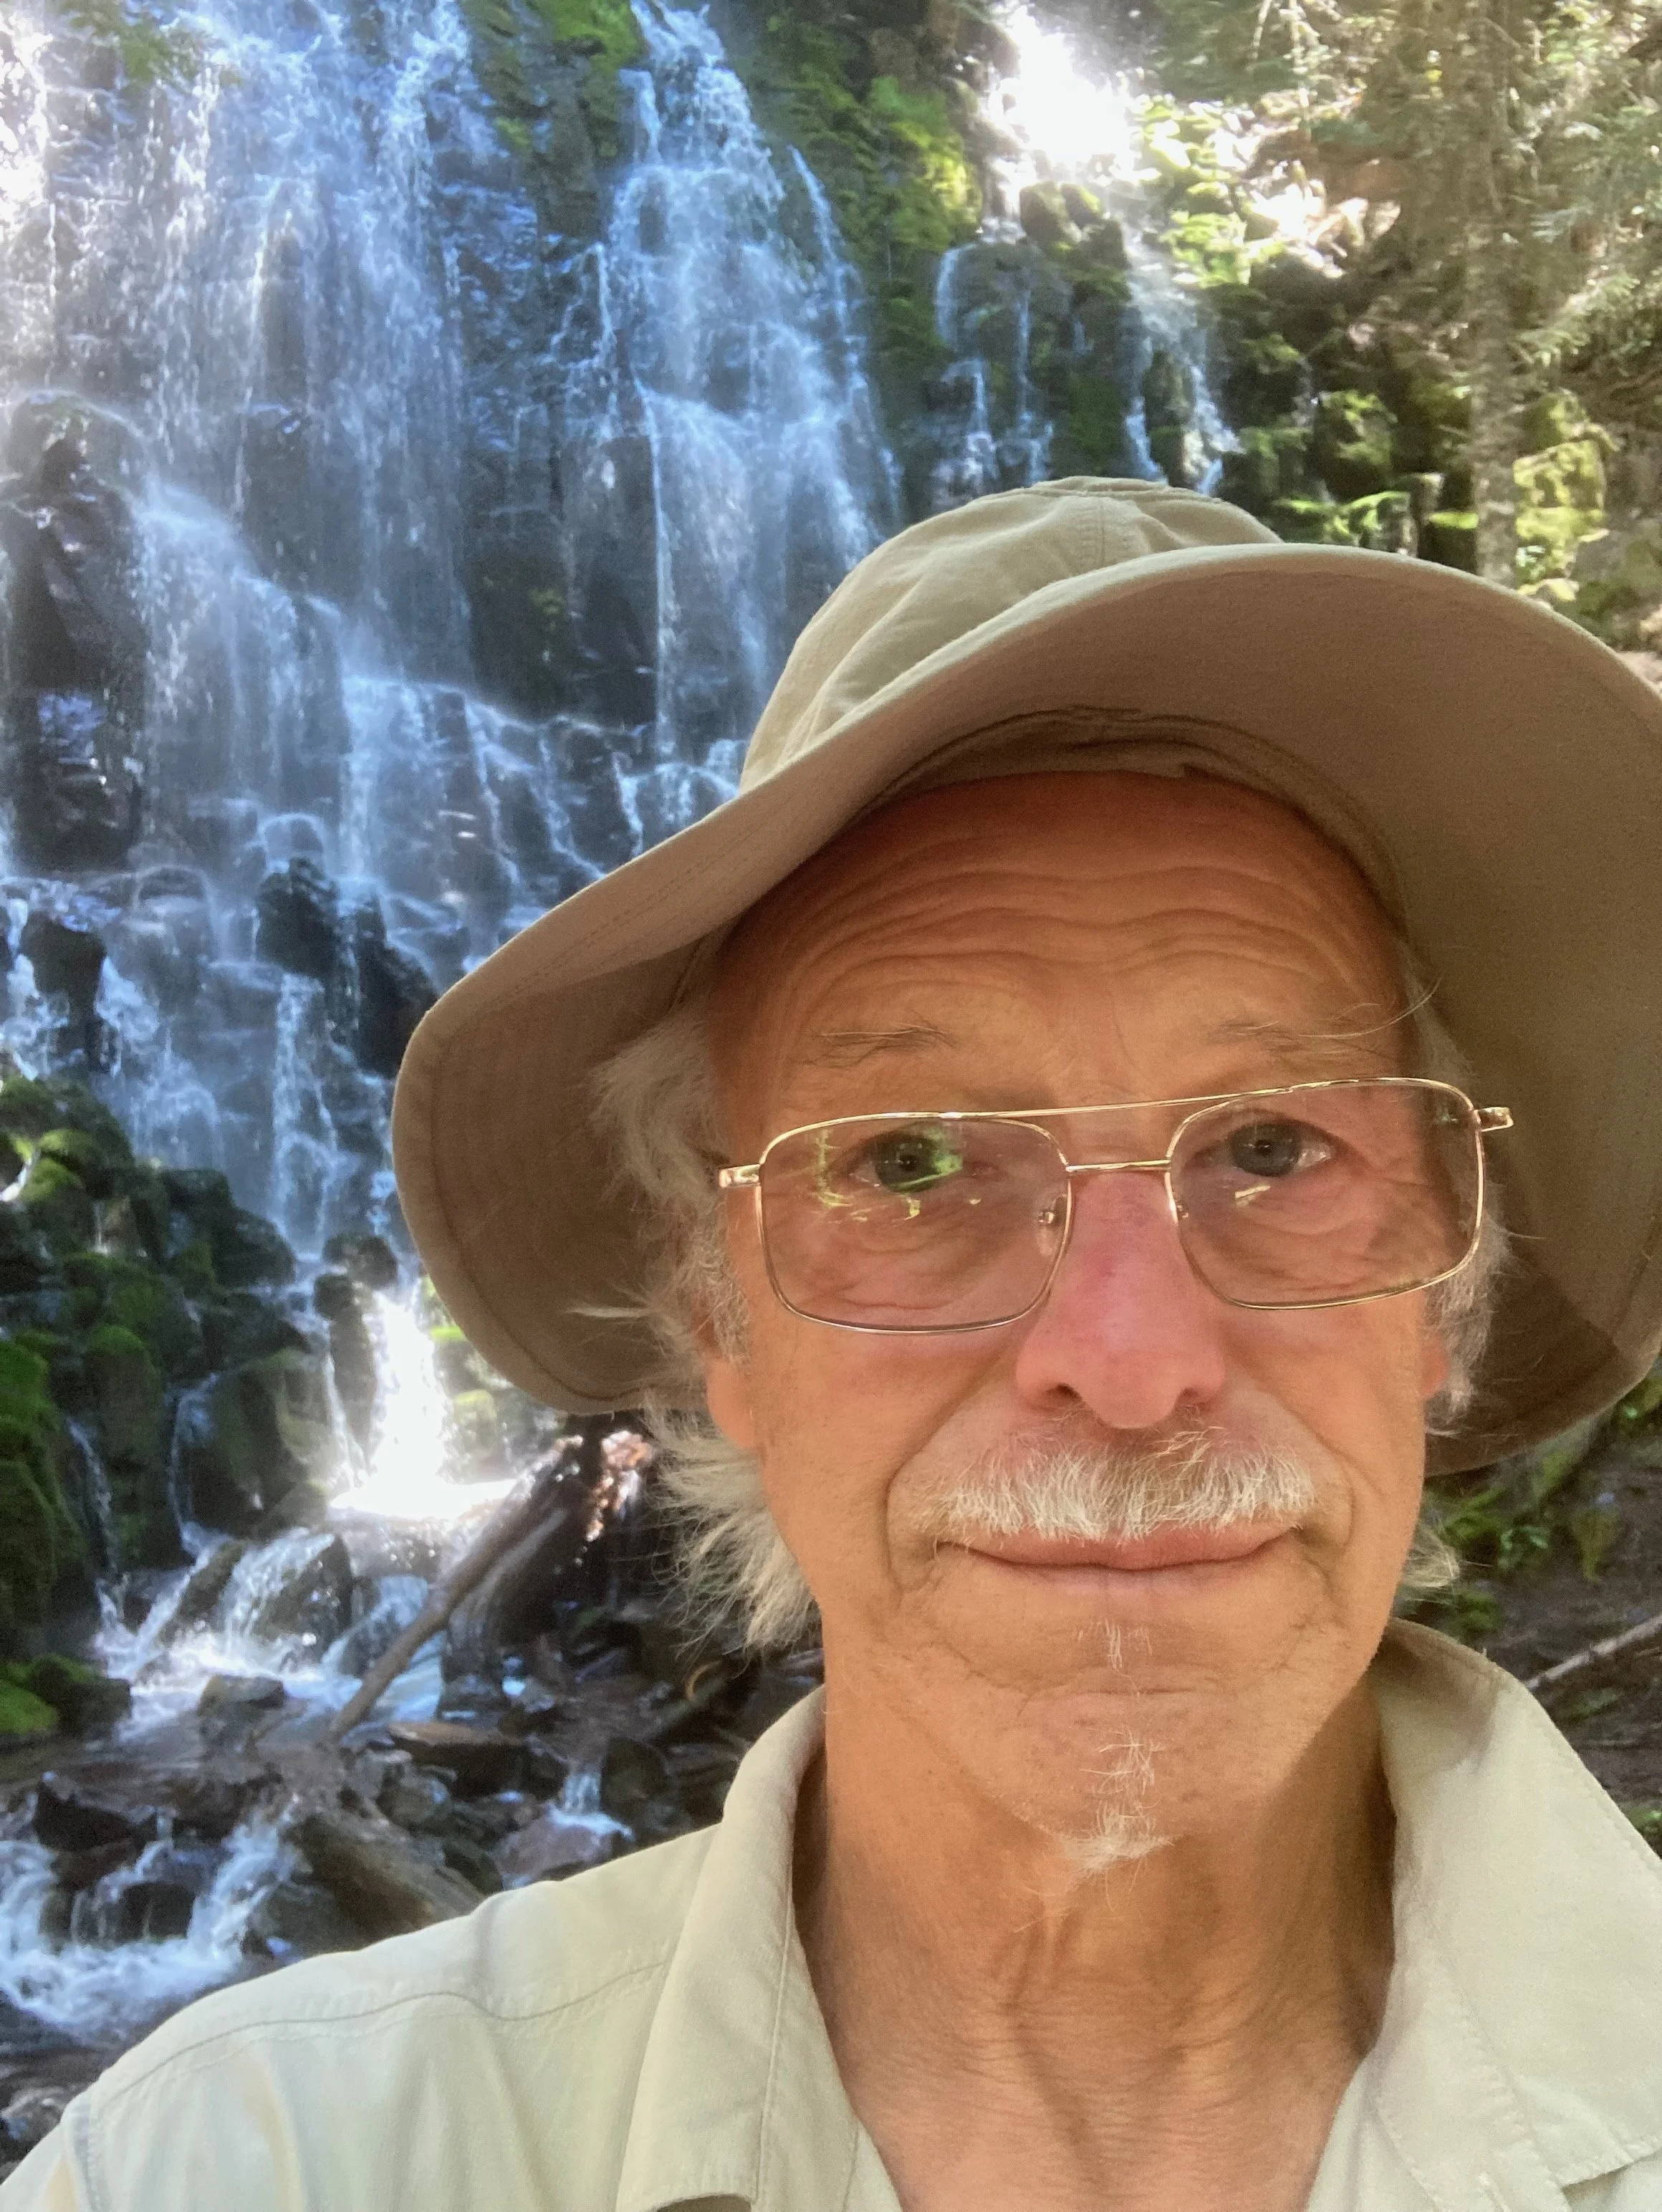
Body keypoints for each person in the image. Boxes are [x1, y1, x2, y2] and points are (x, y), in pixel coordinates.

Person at [9, 479, 1662, 2212]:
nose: (1127, 1356)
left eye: (1271, 1145)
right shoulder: (236, 2164)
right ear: (709, 1312)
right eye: (910, 1162)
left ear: (1439, 1288)